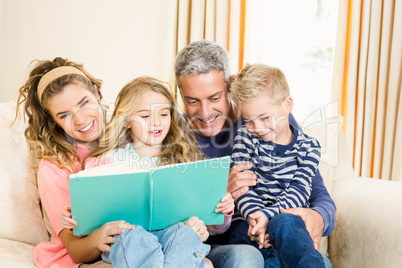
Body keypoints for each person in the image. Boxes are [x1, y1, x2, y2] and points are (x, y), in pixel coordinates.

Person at [14, 58, 209, 268]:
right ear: (54, 121)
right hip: (87, 253)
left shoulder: (130, 130)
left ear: (97, 93)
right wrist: (97, 236)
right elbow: (76, 250)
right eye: (65, 115)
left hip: (147, 240)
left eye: (84, 103)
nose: (80, 119)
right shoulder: (54, 166)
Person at [174, 39, 335, 268]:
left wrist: (320, 217)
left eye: (215, 98)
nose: (206, 112)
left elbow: (316, 191)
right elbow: (168, 215)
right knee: (247, 258)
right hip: (220, 243)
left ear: (231, 86)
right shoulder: (172, 135)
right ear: (180, 95)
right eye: (192, 101)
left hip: (278, 228)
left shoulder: (271, 120)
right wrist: (220, 193)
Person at [59, 76, 235, 267]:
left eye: (163, 114)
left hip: (172, 239)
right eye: (145, 116)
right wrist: (75, 216)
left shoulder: (184, 160)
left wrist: (222, 209)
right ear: (126, 121)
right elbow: (87, 221)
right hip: (128, 238)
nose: (156, 122)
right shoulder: (107, 161)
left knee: (186, 234)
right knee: (130, 235)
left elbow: (214, 225)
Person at [229, 63, 326, 267]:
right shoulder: (245, 138)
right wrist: (257, 219)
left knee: (285, 224)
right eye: (248, 121)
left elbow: (299, 190)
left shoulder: (309, 147)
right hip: (249, 222)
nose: (257, 128)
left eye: (265, 118)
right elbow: (243, 189)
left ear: (287, 105)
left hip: (286, 218)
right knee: (261, 250)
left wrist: (269, 215)